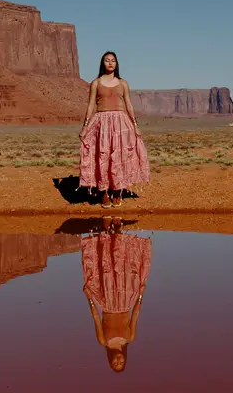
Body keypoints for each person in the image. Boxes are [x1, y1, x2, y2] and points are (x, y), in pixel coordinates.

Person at [79, 51, 150, 208]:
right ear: (102, 63)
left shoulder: (123, 83)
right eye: (107, 60)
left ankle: (117, 191)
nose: (110, 63)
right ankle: (104, 192)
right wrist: (85, 127)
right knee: (103, 156)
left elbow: (129, 105)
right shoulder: (96, 83)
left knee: (118, 156)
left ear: (117, 64)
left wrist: (135, 126)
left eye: (113, 61)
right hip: (101, 123)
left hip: (120, 123)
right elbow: (91, 105)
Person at [82, 221, 152, 373]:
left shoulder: (103, 341)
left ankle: (106, 230)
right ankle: (118, 228)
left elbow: (95, 317)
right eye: (121, 363)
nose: (119, 361)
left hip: (107, 302)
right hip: (126, 299)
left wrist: (89, 297)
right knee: (124, 267)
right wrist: (140, 294)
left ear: (110, 361)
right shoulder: (130, 338)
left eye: (115, 364)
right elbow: (136, 314)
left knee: (105, 268)